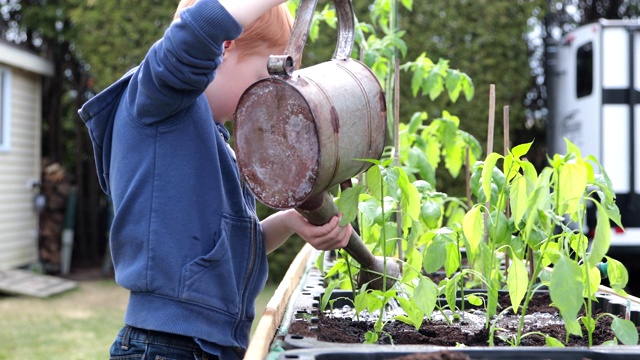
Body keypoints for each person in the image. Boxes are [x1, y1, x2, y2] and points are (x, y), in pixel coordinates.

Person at [78, 1, 352, 359]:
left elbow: (224, 250)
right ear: (224, 48)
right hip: (167, 346)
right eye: (260, 78)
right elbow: (199, 30)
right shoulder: (159, 102)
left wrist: (288, 223)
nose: (264, 96)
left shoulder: (212, 142)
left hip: (205, 346)